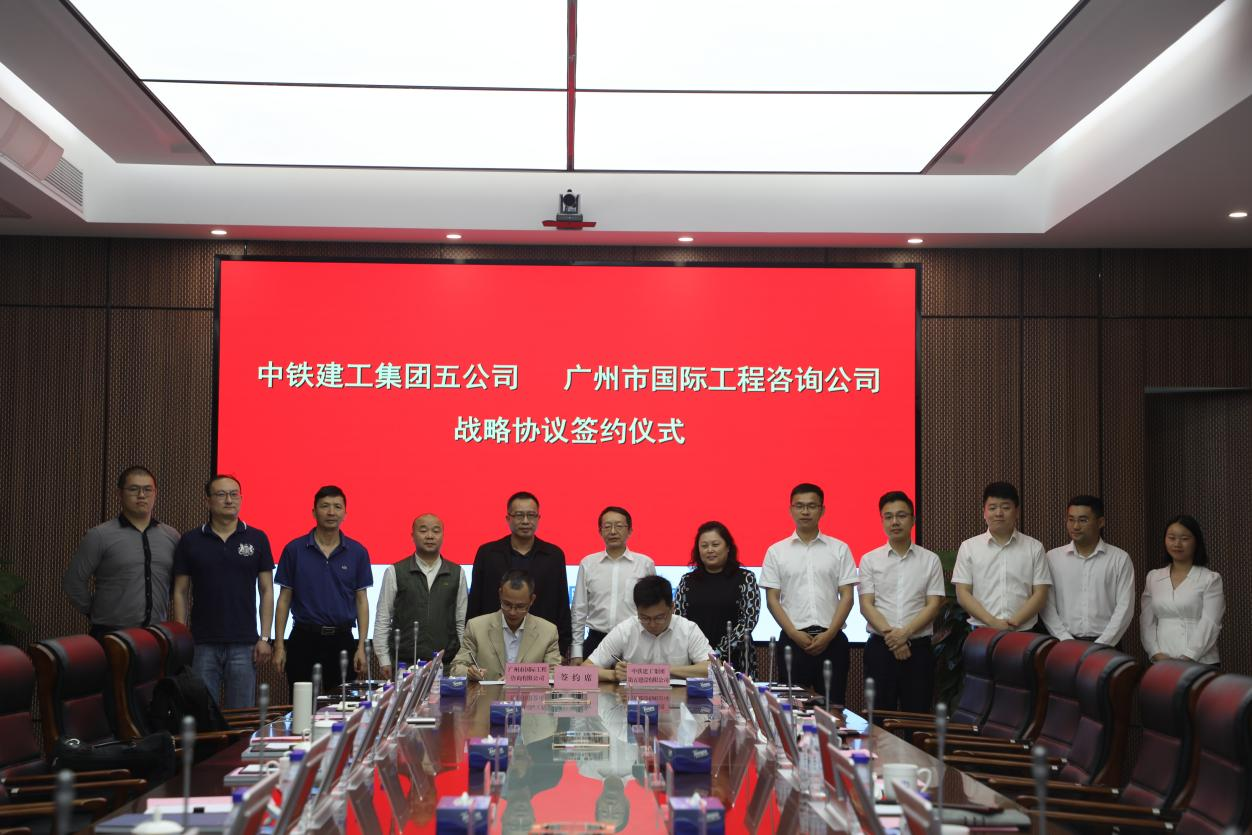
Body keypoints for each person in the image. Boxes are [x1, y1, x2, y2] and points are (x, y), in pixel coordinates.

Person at [171, 474, 275, 709]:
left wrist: (265, 638)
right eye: (221, 494)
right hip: (201, 643)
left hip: (244, 644)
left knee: (241, 716)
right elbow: (180, 591)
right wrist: (182, 635)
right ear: (207, 500)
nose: (229, 500)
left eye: (234, 494)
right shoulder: (191, 540)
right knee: (202, 713)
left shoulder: (257, 538)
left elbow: (267, 590)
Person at [759, 483, 857, 705]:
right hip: (793, 642)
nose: (805, 511)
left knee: (833, 708)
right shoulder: (776, 551)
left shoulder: (839, 549)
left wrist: (830, 634)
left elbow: (847, 596)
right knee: (791, 709)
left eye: (812, 506)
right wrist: (793, 633)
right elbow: (772, 599)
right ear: (791, 509)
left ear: (822, 510)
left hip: (832, 642)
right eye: (800, 506)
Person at [272, 486, 372, 697]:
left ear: (345, 513)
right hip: (304, 639)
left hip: (342, 640)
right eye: (325, 506)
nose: (331, 512)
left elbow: (361, 601)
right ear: (314, 512)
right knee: (302, 706)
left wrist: (362, 646)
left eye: (337, 507)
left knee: (342, 706)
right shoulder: (294, 550)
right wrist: (279, 645)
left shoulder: (358, 552)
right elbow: (284, 600)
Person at [64, 466, 180, 639]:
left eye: (148, 489)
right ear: (119, 494)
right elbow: (73, 582)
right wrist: (94, 611)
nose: (141, 495)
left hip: (155, 636)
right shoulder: (99, 535)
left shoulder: (171, 536)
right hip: (110, 634)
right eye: (133, 489)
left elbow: (177, 584)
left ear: (155, 493)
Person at [857, 491, 945, 715]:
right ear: (882, 521)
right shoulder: (869, 560)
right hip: (880, 649)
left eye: (901, 515)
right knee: (878, 719)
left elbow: (934, 604)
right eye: (888, 517)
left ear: (913, 519)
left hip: (918, 651)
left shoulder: (930, 560)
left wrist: (905, 634)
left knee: (917, 719)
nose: (894, 522)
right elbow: (866, 605)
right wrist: (895, 639)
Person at [467, 492, 572, 657]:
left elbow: (562, 605)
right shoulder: (488, 553)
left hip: (539, 646)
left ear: (538, 518)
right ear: (508, 518)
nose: (525, 521)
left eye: (531, 515)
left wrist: (563, 647)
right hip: (492, 647)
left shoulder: (553, 555)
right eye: (519, 515)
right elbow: (475, 602)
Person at [373, 513, 467, 677]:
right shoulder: (395, 571)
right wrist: (383, 659)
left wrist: (460, 659)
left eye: (436, 531)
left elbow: (461, 621)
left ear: (443, 536)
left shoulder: (457, 573)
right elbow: (383, 618)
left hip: (446, 665)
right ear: (412, 536)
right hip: (404, 665)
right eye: (423, 531)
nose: (430, 536)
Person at [952, 481, 1052, 631]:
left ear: (1016, 512)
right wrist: (992, 622)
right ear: (984, 512)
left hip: (1023, 631)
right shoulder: (969, 547)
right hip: (983, 631)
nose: (999, 513)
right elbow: (962, 593)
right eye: (992, 508)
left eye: (1006, 507)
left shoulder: (1034, 547)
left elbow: (1041, 593)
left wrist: (1014, 622)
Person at [1038, 495, 1135, 647]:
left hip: (1108, 645)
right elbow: (1047, 605)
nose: (1075, 526)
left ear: (1100, 522)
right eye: (1071, 519)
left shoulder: (1119, 559)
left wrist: (1102, 644)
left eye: (1083, 520)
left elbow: (1125, 607)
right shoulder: (1052, 558)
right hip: (1064, 644)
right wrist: (1065, 640)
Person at [584, 575, 712, 682]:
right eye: (644, 618)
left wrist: (663, 671)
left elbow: (712, 668)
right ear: (637, 610)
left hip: (679, 699)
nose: (652, 624)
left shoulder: (688, 629)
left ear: (672, 608)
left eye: (659, 617)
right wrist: (613, 674)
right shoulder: (625, 630)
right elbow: (585, 669)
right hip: (633, 701)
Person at [570, 506, 656, 663]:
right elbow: (579, 610)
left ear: (629, 531)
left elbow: (653, 608)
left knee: (633, 681)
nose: (613, 531)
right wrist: (576, 650)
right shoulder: (588, 563)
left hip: (634, 642)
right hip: (596, 641)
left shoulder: (645, 564)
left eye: (619, 526)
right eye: (607, 526)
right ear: (600, 531)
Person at [675, 521, 760, 676]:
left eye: (715, 544)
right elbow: (679, 620)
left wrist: (718, 652)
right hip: (696, 659)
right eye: (704, 546)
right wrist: (702, 652)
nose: (710, 550)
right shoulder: (687, 581)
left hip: (736, 657)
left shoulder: (746, 578)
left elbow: (749, 621)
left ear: (728, 547)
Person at [1141, 515, 1224, 665]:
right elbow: (1146, 621)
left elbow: (1211, 623)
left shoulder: (1210, 579)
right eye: (1171, 538)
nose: (1177, 544)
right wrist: (1156, 653)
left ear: (1196, 541)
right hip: (1161, 662)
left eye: (1184, 539)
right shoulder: (1153, 577)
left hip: (1201, 661)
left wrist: (1188, 656)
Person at [451, 570, 561, 680]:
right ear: (500, 594)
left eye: (520, 606)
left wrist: (518, 677)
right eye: (507, 604)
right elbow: (457, 668)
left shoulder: (548, 632)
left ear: (532, 600)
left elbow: (556, 675)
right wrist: (469, 673)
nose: (512, 612)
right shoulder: (476, 627)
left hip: (527, 691)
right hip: (486, 691)